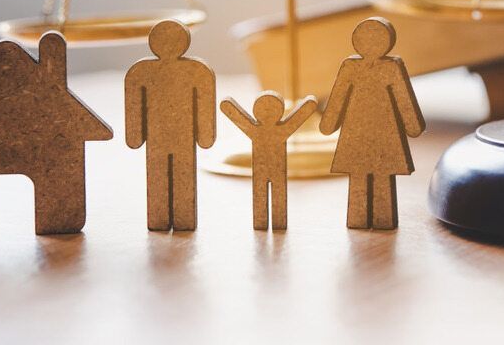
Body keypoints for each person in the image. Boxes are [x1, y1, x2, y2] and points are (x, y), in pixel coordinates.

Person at [320, 17, 425, 230]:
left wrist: (413, 125)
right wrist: (329, 122)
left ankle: (382, 219)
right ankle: (360, 219)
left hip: (385, 132)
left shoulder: (391, 68)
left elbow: (403, 99)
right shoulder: (350, 67)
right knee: (360, 175)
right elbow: (338, 96)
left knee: (382, 176)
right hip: (356, 133)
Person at [124, 20, 215, 231]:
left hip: (180, 136)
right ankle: (161, 219)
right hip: (159, 138)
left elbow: (204, 101)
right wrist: (135, 135)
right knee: (158, 176)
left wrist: (204, 135)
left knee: (180, 175)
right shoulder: (141, 72)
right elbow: (134, 103)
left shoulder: (196, 70)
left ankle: (179, 218)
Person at [220, 92, 317, 230]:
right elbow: (300, 116)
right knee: (269, 195)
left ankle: (271, 222)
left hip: (269, 170)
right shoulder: (274, 130)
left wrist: (227, 105)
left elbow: (234, 114)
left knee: (271, 195)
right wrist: (309, 104)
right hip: (271, 170)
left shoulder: (259, 130)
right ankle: (270, 222)